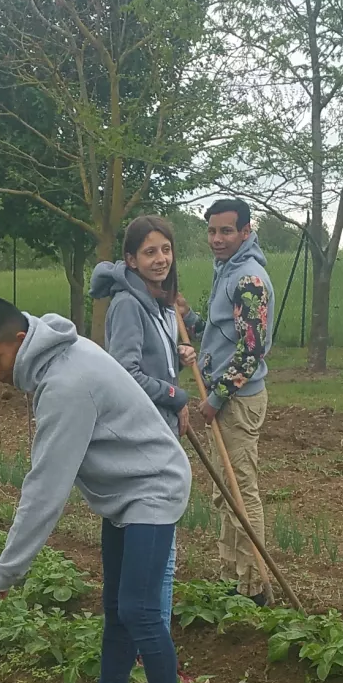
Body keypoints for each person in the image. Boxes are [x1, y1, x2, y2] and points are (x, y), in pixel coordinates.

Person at [0, 296, 197, 683]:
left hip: (153, 486)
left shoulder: (66, 382)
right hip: (123, 491)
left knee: (140, 611)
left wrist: (5, 572)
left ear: (19, 341)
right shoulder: (53, 358)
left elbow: (45, 490)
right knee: (116, 608)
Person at [90, 214, 198, 621]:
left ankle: (142, 640)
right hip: (143, 441)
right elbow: (126, 373)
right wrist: (176, 395)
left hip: (158, 433)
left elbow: (149, 364)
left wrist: (175, 360)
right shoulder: (128, 305)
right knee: (160, 562)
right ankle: (155, 641)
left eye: (166, 250)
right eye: (150, 252)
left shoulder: (155, 302)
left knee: (153, 561)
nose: (160, 259)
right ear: (131, 259)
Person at [187, 197, 273, 606]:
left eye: (226, 231)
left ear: (245, 231)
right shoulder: (227, 270)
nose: (217, 239)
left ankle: (254, 586)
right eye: (212, 231)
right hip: (224, 398)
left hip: (236, 401)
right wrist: (189, 319)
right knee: (225, 492)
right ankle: (232, 577)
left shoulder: (249, 279)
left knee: (240, 492)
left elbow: (251, 350)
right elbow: (224, 333)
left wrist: (217, 397)